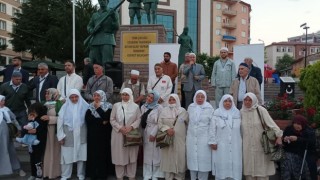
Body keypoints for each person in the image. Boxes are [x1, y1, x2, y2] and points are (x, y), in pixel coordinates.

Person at [241, 92, 283, 180]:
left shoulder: (260, 110)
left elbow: (271, 124)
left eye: (250, 100)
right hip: (247, 146)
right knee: (249, 173)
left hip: (261, 145)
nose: (247, 102)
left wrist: (279, 136)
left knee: (262, 172)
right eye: (245, 100)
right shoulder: (241, 112)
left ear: (254, 100)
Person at [57, 89, 89, 180]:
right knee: (67, 155)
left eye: (76, 97)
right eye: (72, 97)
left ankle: (81, 174)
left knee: (81, 155)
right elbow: (60, 122)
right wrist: (60, 136)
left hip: (81, 134)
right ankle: (65, 175)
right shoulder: (64, 107)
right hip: (68, 135)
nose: (74, 99)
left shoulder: (85, 106)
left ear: (79, 96)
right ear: (69, 98)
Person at [110, 88, 141, 180]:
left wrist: (131, 127)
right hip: (118, 134)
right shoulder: (116, 106)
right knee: (119, 155)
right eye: (123, 94)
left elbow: (139, 119)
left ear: (130, 95)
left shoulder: (135, 107)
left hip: (131, 133)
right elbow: (112, 119)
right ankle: (120, 175)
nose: (125, 96)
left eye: (127, 94)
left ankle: (131, 175)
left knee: (131, 155)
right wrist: (120, 128)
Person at [210, 94, 242, 180]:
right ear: (222, 102)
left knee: (234, 161)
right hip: (221, 143)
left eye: (230, 101)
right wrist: (213, 141)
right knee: (222, 161)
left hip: (235, 143)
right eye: (225, 101)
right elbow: (212, 129)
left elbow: (241, 129)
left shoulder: (237, 113)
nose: (227, 103)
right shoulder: (217, 112)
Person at [158, 94, 189, 180]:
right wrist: (167, 129)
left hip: (179, 139)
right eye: (170, 100)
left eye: (173, 100)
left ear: (177, 100)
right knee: (168, 157)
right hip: (167, 137)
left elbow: (188, 123)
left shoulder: (183, 111)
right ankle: (169, 177)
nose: (171, 101)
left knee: (180, 156)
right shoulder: (164, 111)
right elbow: (160, 123)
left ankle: (179, 177)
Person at [85, 90, 114, 179]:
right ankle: (93, 174)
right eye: (95, 96)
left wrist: (98, 108)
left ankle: (102, 174)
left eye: (98, 96)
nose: (96, 97)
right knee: (93, 154)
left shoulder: (108, 106)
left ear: (102, 96)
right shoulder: (90, 106)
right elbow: (88, 120)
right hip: (92, 135)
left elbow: (107, 118)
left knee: (103, 154)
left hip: (104, 135)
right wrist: (101, 121)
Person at [186, 90, 214, 180]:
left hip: (204, 138)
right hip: (191, 137)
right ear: (195, 97)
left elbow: (212, 125)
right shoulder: (191, 107)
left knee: (203, 160)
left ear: (205, 98)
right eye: (198, 96)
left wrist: (212, 139)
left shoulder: (209, 108)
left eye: (202, 97)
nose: (200, 99)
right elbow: (187, 122)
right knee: (192, 159)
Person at [282, 115, 317, 180]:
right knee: (287, 159)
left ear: (303, 124)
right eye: (295, 123)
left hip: (305, 153)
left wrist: (298, 139)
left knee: (309, 163)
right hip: (291, 152)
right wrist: (285, 139)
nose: (296, 126)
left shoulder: (309, 131)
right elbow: (284, 143)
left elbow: (312, 142)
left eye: (299, 124)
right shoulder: (289, 129)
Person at [87, 0, 120, 65]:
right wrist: (92, 30)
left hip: (107, 40)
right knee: (93, 62)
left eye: (104, 0)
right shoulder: (95, 15)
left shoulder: (113, 12)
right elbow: (89, 26)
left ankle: (105, 75)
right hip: (95, 41)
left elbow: (117, 27)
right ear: (99, 2)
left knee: (106, 63)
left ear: (107, 2)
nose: (102, 1)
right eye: (101, 0)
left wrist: (113, 17)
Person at [0, 95, 26, 177]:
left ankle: (17, 169)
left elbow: (14, 120)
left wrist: (18, 128)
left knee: (9, 151)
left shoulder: (6, 110)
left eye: (4, 100)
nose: (3, 102)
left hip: (6, 135)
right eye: (2, 101)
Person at [141, 90, 164, 180]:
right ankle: (147, 173)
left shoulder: (159, 108)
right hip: (145, 130)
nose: (149, 99)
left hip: (155, 130)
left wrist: (153, 133)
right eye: (148, 97)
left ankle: (155, 174)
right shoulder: (143, 107)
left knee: (156, 153)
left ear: (156, 99)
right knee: (146, 153)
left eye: (152, 98)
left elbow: (159, 122)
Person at [41, 88, 62, 179]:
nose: (46, 95)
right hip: (45, 131)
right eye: (45, 94)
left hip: (55, 131)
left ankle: (55, 172)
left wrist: (50, 119)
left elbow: (63, 118)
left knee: (54, 151)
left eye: (48, 94)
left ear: (54, 95)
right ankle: (46, 172)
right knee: (47, 151)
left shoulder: (59, 104)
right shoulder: (43, 104)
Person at [25, 103, 48, 180]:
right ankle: (33, 174)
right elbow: (25, 128)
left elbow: (43, 130)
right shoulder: (31, 119)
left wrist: (36, 130)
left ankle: (39, 176)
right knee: (32, 159)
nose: (32, 113)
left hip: (39, 142)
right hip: (31, 143)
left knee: (38, 160)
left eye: (34, 111)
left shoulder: (42, 119)